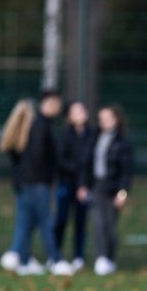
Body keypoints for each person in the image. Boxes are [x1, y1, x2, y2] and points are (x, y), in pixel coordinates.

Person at [0, 97, 74, 276]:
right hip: (38, 184)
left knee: (25, 222)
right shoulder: (37, 129)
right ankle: (52, 259)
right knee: (45, 221)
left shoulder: (15, 136)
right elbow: (43, 158)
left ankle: (23, 260)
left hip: (22, 185)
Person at [81, 105, 133, 276]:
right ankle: (101, 258)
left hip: (112, 187)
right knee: (97, 223)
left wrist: (122, 192)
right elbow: (86, 164)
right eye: (101, 118)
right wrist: (83, 185)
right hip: (96, 186)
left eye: (108, 117)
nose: (104, 121)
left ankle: (109, 259)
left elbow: (126, 170)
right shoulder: (94, 138)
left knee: (110, 226)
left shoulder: (122, 143)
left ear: (116, 119)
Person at [54, 100, 95, 270]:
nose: (80, 114)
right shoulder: (64, 135)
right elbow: (60, 160)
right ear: (69, 116)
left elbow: (91, 162)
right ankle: (55, 255)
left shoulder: (92, 135)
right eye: (75, 112)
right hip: (67, 184)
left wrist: (84, 184)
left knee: (80, 221)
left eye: (82, 111)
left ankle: (79, 257)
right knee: (61, 219)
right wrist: (76, 169)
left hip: (84, 186)